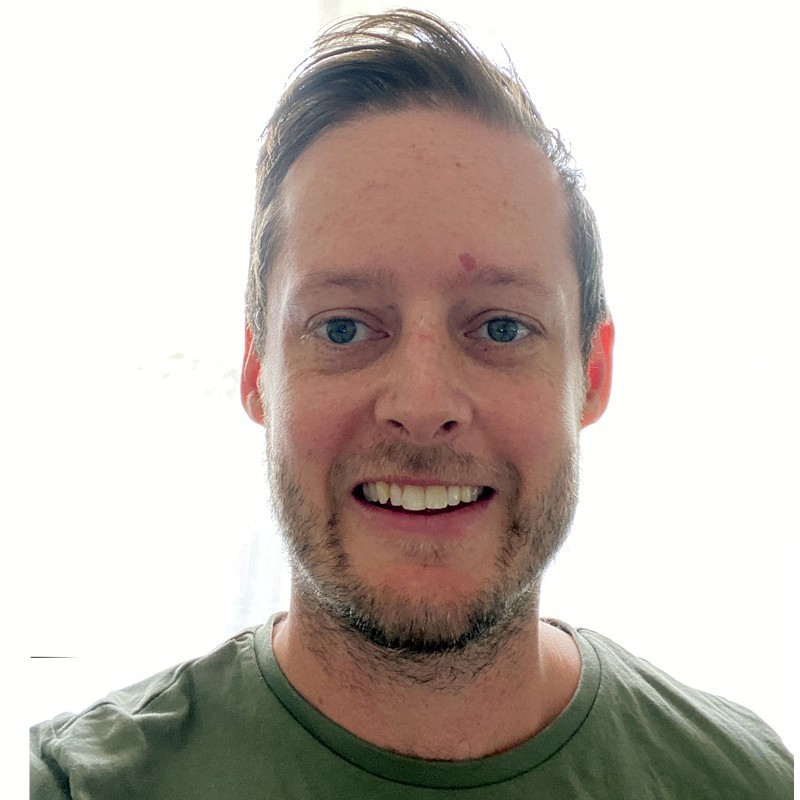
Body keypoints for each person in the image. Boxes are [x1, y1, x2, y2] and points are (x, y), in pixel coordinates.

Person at [30, 9, 792, 798]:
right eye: (342, 327)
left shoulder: (741, 782)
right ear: (258, 373)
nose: (423, 404)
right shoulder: (66, 785)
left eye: (501, 326)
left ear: (591, 374)